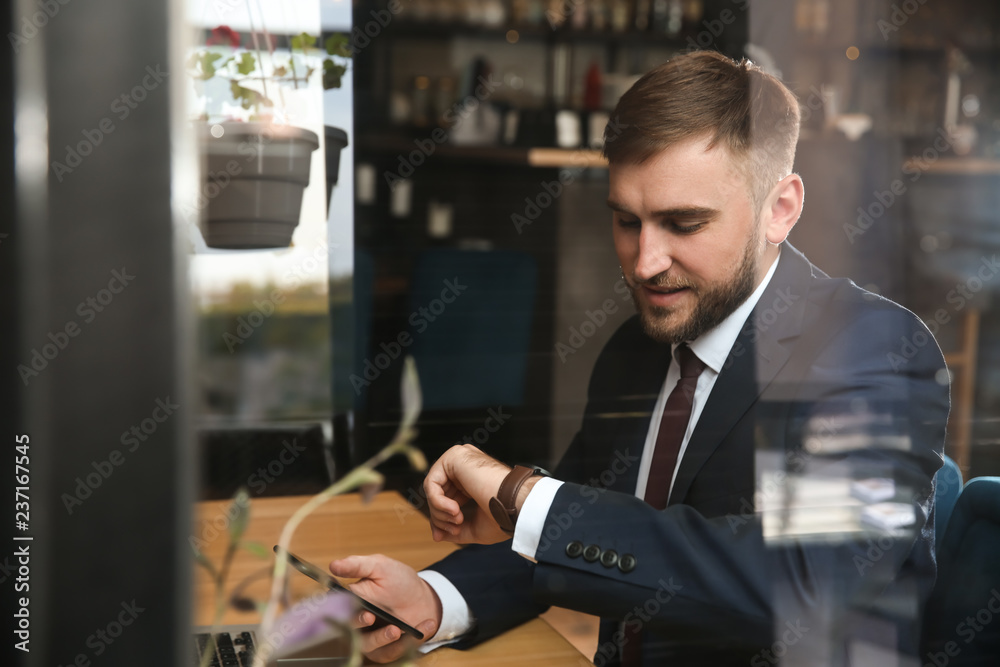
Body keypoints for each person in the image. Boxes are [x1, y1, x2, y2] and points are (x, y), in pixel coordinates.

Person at [329, 50, 950, 666]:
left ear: (779, 209)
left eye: (684, 224)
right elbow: (588, 532)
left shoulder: (876, 353)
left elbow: (808, 582)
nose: (644, 263)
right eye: (628, 221)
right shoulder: (636, 348)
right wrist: (438, 598)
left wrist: (524, 497)